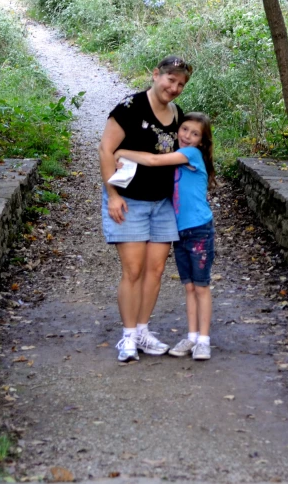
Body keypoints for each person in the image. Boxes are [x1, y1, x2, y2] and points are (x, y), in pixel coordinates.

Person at [98, 56, 193, 362]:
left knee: (155, 270)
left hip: (162, 203)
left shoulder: (177, 114)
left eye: (180, 84)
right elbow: (105, 150)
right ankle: (127, 337)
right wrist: (112, 195)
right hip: (129, 200)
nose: (174, 88)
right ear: (156, 75)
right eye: (170, 80)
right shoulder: (130, 108)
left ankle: (142, 331)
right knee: (134, 270)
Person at [115, 112, 216, 360]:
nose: (187, 136)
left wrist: (120, 152)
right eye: (184, 130)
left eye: (195, 134)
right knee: (189, 286)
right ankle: (192, 338)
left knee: (201, 286)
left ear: (202, 141)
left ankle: (204, 340)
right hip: (179, 231)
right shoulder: (178, 158)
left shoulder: (192, 154)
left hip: (199, 229)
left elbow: (151, 160)